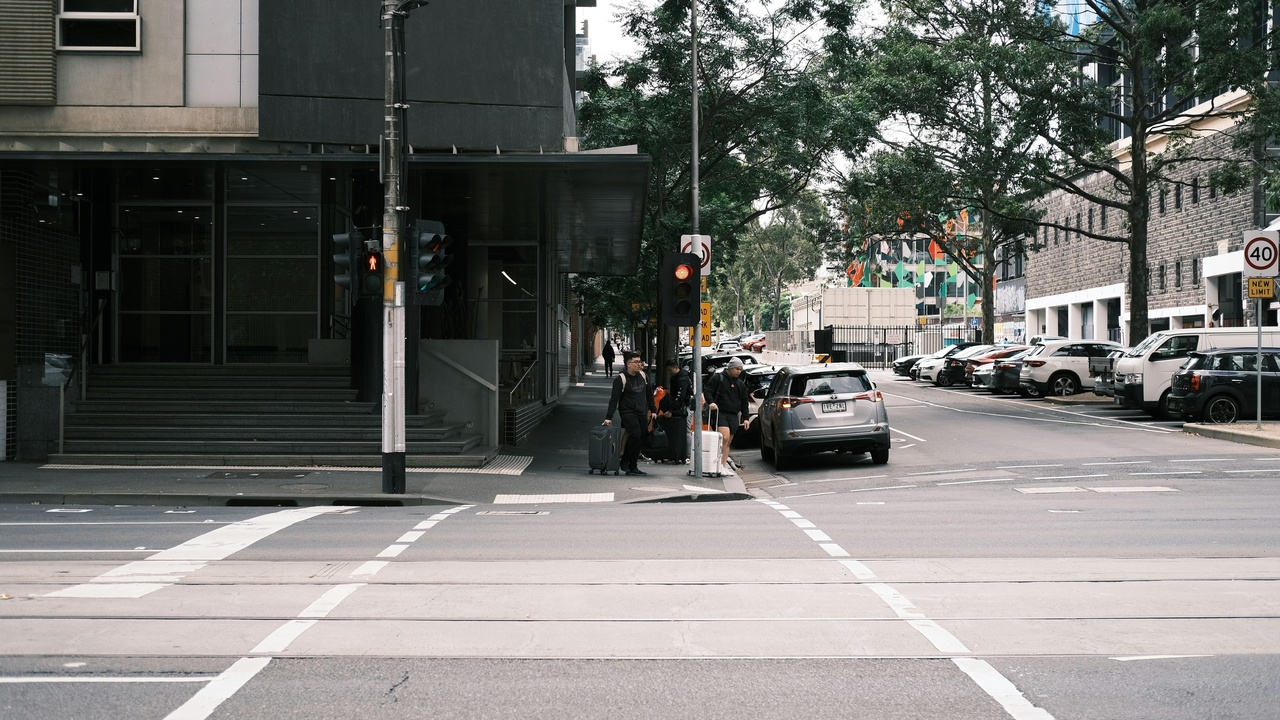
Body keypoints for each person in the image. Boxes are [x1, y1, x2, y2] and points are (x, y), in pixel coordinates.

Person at [604, 352, 657, 476]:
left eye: (640, 362)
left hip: (642, 412)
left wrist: (653, 410)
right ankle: (627, 462)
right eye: (636, 362)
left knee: (641, 437)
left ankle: (632, 465)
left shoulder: (643, 376)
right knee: (635, 435)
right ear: (628, 364)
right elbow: (614, 399)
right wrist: (608, 417)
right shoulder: (620, 379)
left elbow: (649, 394)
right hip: (628, 412)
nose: (639, 364)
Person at [703, 357, 751, 470]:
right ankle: (717, 464)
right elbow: (708, 391)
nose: (739, 371)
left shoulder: (740, 384)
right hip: (721, 412)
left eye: (740, 369)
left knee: (728, 442)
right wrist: (711, 402)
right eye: (736, 369)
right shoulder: (718, 378)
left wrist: (746, 418)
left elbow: (744, 402)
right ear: (730, 368)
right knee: (724, 437)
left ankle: (723, 465)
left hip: (734, 414)